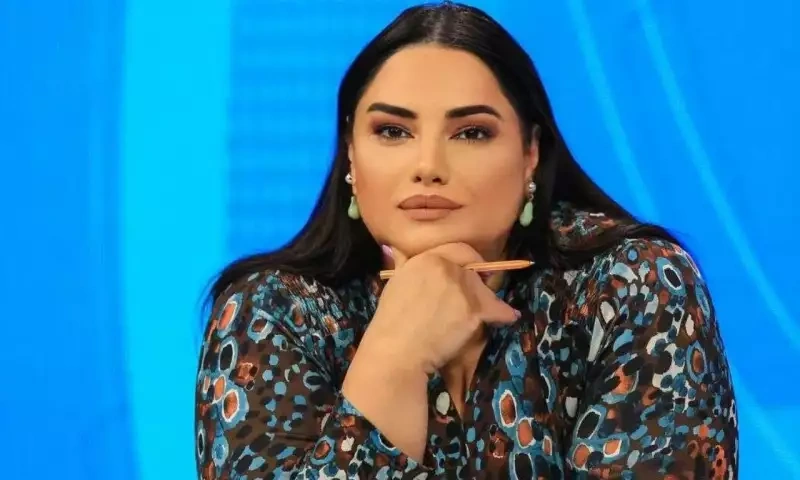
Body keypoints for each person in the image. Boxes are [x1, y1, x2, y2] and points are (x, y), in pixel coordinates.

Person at [195, 2, 738, 478]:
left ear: (530, 154)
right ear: (351, 157)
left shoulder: (635, 284)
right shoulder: (272, 311)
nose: (428, 165)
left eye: (472, 132)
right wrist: (395, 355)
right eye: (393, 131)